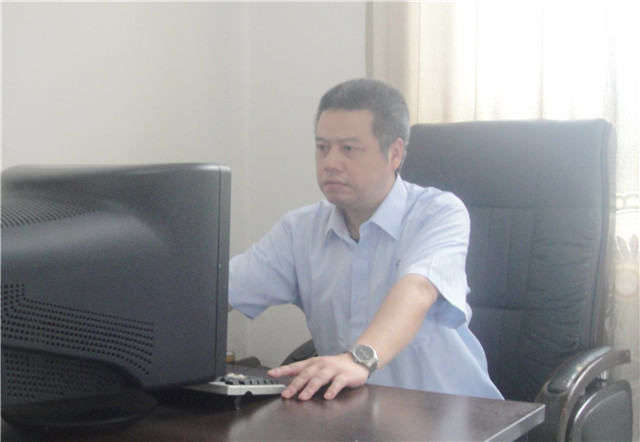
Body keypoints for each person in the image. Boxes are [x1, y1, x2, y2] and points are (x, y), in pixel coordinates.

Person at [228, 78, 502, 401]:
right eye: (322, 147)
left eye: (348, 149)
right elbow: (220, 290)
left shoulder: (437, 214)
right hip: (356, 417)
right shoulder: (299, 230)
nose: (330, 163)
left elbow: (418, 289)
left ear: (394, 154)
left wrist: (358, 359)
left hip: (453, 415)